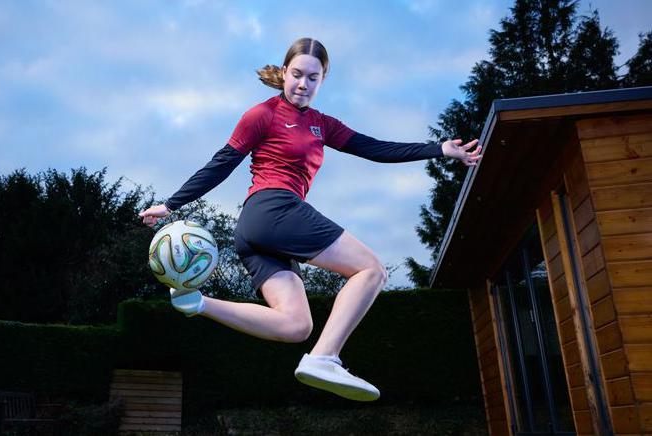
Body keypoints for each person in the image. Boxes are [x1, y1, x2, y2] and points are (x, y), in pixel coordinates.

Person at [139, 37, 482, 401]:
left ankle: (197, 303)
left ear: (322, 80)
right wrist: (172, 204)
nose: (303, 84)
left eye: (313, 78)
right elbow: (223, 161)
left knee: (296, 325)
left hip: (259, 232)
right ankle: (324, 356)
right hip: (272, 209)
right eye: (297, 75)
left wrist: (439, 150)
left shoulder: (322, 124)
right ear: (284, 72)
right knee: (371, 271)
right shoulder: (262, 114)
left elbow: (375, 148)